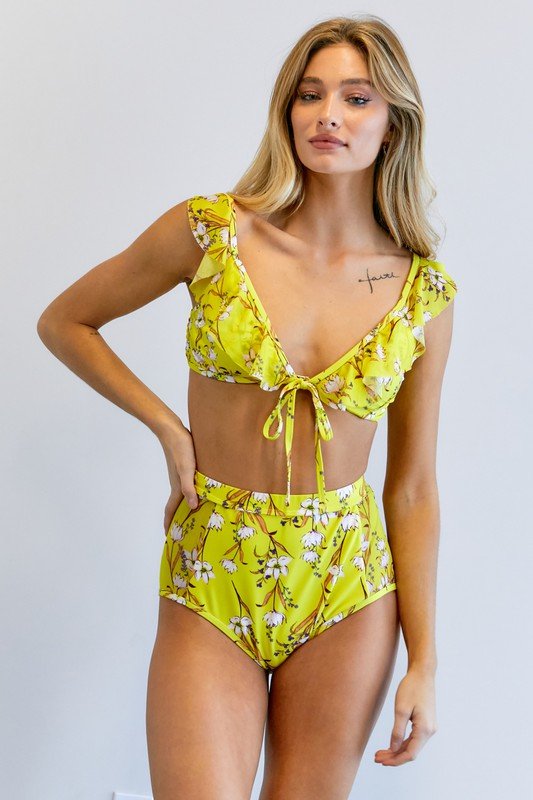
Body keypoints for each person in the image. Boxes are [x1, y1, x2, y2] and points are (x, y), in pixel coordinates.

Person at [37, 13, 458, 800]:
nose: (327, 115)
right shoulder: (211, 232)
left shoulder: (420, 293)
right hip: (212, 566)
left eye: (356, 98)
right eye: (309, 94)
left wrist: (424, 662)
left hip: (347, 585)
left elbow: (411, 488)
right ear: (286, 110)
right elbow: (66, 322)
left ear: (393, 123)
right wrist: (169, 429)